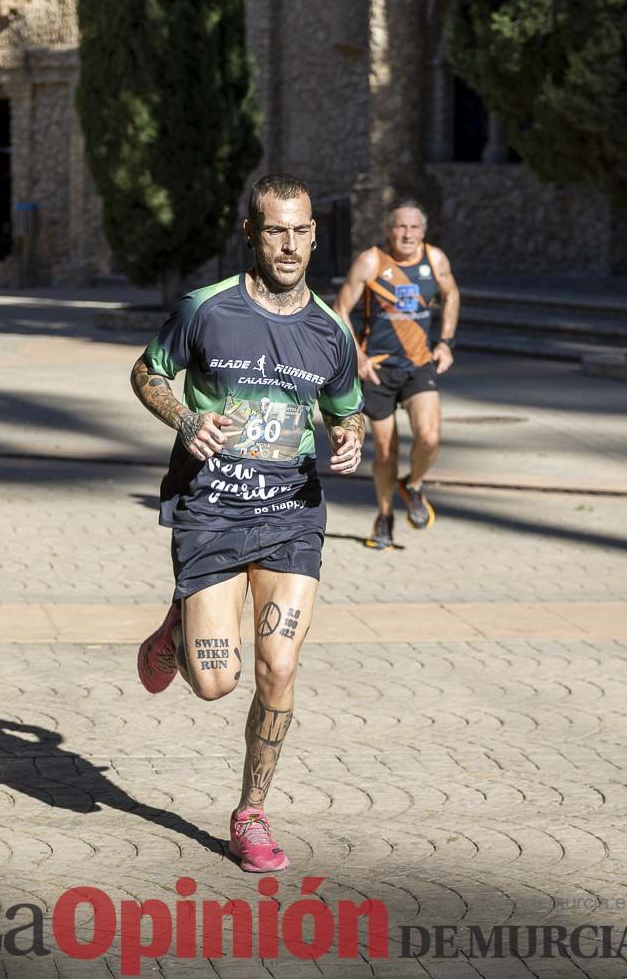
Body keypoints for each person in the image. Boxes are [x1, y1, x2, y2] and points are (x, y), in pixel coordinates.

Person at [132, 173, 364, 873]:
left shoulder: (331, 331)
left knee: (280, 665)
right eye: (274, 230)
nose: (288, 245)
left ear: (314, 234)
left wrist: (351, 435)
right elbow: (148, 372)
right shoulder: (206, 309)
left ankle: (251, 813)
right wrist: (186, 418)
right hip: (210, 512)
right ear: (251, 235)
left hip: (292, 515)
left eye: (300, 231)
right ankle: (179, 622)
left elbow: (345, 406)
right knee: (214, 682)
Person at [333, 198, 460, 549]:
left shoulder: (435, 260)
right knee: (386, 452)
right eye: (400, 227)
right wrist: (355, 355)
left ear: (423, 230)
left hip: (419, 365)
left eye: (414, 227)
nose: (407, 234)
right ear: (389, 230)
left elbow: (451, 295)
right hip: (378, 369)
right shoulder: (371, 261)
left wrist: (445, 342)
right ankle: (385, 515)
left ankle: (414, 484)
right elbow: (340, 308)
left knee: (430, 437)